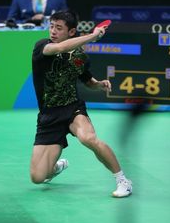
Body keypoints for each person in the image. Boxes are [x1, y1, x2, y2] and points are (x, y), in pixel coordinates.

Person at [30, 10, 132, 198]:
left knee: (88, 139)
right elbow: (60, 48)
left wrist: (99, 85)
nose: (52, 31)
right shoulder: (42, 47)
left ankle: (123, 180)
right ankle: (55, 167)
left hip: (72, 109)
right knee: (37, 177)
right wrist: (92, 36)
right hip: (49, 115)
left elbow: (87, 81)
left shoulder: (79, 57)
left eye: (59, 28)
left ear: (71, 32)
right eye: (51, 26)